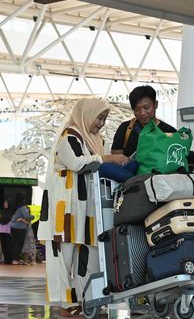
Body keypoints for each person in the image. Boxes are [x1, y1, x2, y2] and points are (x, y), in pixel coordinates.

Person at [38, 98, 127, 316]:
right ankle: (66, 305)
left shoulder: (95, 140)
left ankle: (86, 301)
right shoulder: (69, 137)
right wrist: (108, 159)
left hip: (85, 210)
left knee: (87, 258)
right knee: (62, 257)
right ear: (86, 114)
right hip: (63, 211)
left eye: (104, 119)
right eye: (99, 117)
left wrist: (109, 159)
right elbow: (78, 163)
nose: (101, 123)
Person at [111, 85, 176, 157]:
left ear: (156, 104)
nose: (142, 113)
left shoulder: (169, 131)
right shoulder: (125, 128)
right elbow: (116, 157)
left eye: (146, 107)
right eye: (137, 109)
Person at [10, 194, 34, 265]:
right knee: (19, 244)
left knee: (14, 243)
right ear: (23, 199)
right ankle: (16, 259)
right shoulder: (22, 207)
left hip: (13, 227)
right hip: (20, 228)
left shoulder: (14, 206)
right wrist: (33, 216)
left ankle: (12, 259)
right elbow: (27, 216)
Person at [0, 198, 13, 264]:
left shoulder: (10, 211)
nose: (5, 203)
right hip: (1, 231)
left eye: (7, 202)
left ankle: (9, 260)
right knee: (3, 246)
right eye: (5, 202)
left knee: (8, 245)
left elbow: (9, 218)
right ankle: (6, 260)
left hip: (8, 231)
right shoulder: (2, 211)